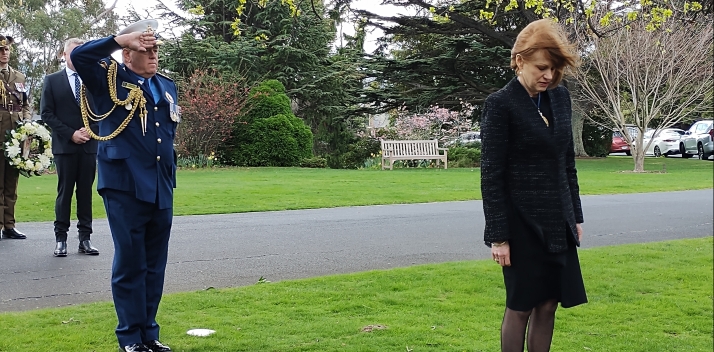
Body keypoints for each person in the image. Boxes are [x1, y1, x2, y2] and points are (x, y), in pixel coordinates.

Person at [480, 19, 587, 352]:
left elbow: (566, 163)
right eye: (542, 67)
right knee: (522, 305)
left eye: (554, 69)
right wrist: (498, 237)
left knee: (549, 303)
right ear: (519, 60)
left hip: (558, 222)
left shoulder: (560, 98)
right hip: (520, 224)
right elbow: (491, 175)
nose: (549, 76)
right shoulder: (500, 105)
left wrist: (576, 217)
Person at [71, 19, 177, 352]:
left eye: (156, 49)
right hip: (125, 184)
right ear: (127, 55)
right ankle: (130, 336)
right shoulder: (109, 79)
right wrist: (119, 39)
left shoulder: (166, 85)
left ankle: (149, 332)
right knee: (131, 261)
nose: (153, 55)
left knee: (154, 264)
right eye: (145, 50)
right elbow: (79, 56)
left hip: (160, 184)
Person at [41, 38, 100, 257]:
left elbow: (104, 110)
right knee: (64, 193)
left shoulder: (94, 80)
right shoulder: (52, 80)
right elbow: (47, 113)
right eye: (72, 53)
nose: (76, 57)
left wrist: (88, 131)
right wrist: (71, 133)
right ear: (64, 55)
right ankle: (61, 239)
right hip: (65, 146)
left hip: (89, 144)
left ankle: (85, 238)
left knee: (85, 193)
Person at [0, 35, 30, 241]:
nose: (4, 53)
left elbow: (26, 104)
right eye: (0, 50)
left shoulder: (19, 77)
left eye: (7, 50)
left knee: (11, 184)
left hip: (14, 138)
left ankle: (9, 225)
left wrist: (27, 122)